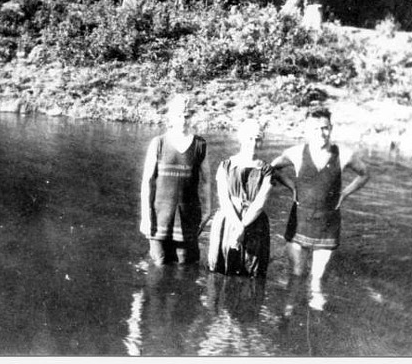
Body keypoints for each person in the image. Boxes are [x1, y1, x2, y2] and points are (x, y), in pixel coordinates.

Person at [271, 106, 370, 309]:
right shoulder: (296, 153)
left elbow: (364, 173)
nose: (321, 133)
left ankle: (315, 325)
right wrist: (291, 186)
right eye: (315, 129)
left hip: (327, 225)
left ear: (331, 128)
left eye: (325, 128)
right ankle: (289, 316)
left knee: (317, 282)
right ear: (307, 130)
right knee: (297, 275)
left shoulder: (344, 154)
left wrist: (345, 193)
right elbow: (272, 168)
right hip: (299, 222)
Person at [139, 94, 211, 266]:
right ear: (171, 117)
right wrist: (146, 216)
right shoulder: (158, 143)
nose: (183, 120)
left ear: (192, 117)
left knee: (185, 264)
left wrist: (208, 210)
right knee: (159, 263)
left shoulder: (200, 145)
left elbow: (207, 181)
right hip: (159, 215)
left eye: (187, 116)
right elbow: (147, 182)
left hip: (187, 216)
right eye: (179, 116)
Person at [207, 119, 273, 278]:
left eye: (258, 138)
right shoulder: (225, 165)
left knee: (251, 272)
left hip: (254, 222)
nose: (253, 143)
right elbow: (224, 199)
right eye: (250, 138)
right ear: (241, 138)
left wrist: (243, 226)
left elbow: (260, 203)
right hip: (228, 220)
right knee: (220, 270)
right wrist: (238, 226)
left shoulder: (267, 170)